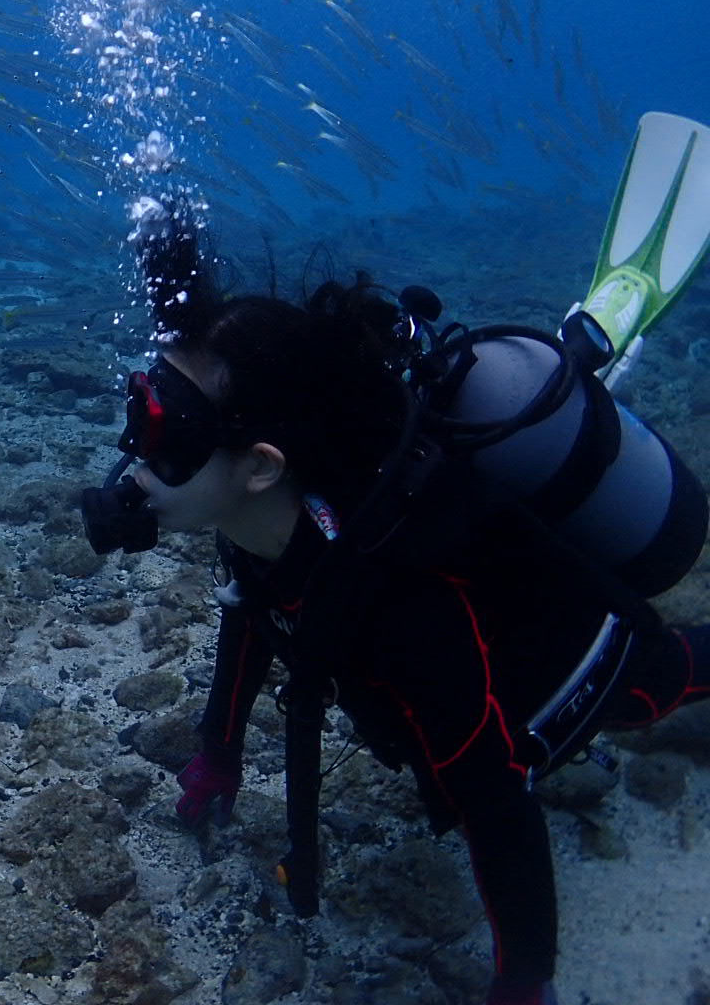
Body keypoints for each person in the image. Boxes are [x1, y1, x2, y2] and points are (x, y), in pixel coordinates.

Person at [82, 120, 710, 1005]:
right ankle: (592, 340)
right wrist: (217, 757)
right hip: (427, 625)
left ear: (262, 465)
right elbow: (250, 624)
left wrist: (521, 981)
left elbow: (496, 806)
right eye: (140, 415)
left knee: (664, 684)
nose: (132, 461)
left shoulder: (401, 610)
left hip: (572, 654)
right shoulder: (265, 527)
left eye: (166, 437)